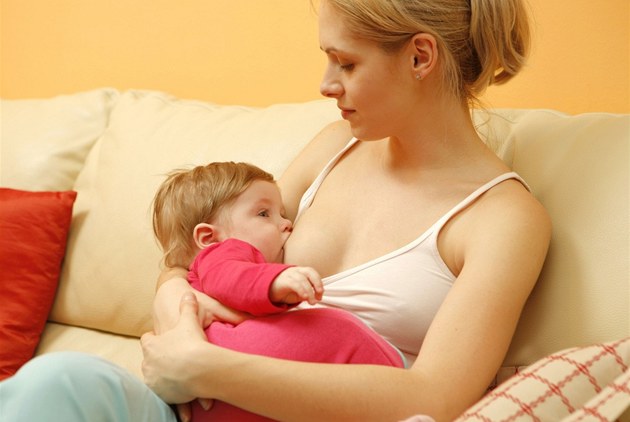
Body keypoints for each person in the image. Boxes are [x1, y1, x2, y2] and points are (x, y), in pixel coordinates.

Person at [0, 1, 551, 421]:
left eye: (346, 62)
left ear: (419, 56)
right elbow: (207, 251)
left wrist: (209, 368)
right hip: (193, 403)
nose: (326, 84)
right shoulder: (335, 146)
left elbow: (437, 395)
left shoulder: (503, 219)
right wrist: (174, 305)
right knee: (57, 380)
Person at [151, 161, 406, 420]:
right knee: (340, 330)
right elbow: (230, 277)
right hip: (227, 362)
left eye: (282, 213)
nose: (286, 224)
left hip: (217, 389)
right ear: (209, 238)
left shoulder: (203, 272)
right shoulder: (223, 252)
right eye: (264, 214)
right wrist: (274, 281)